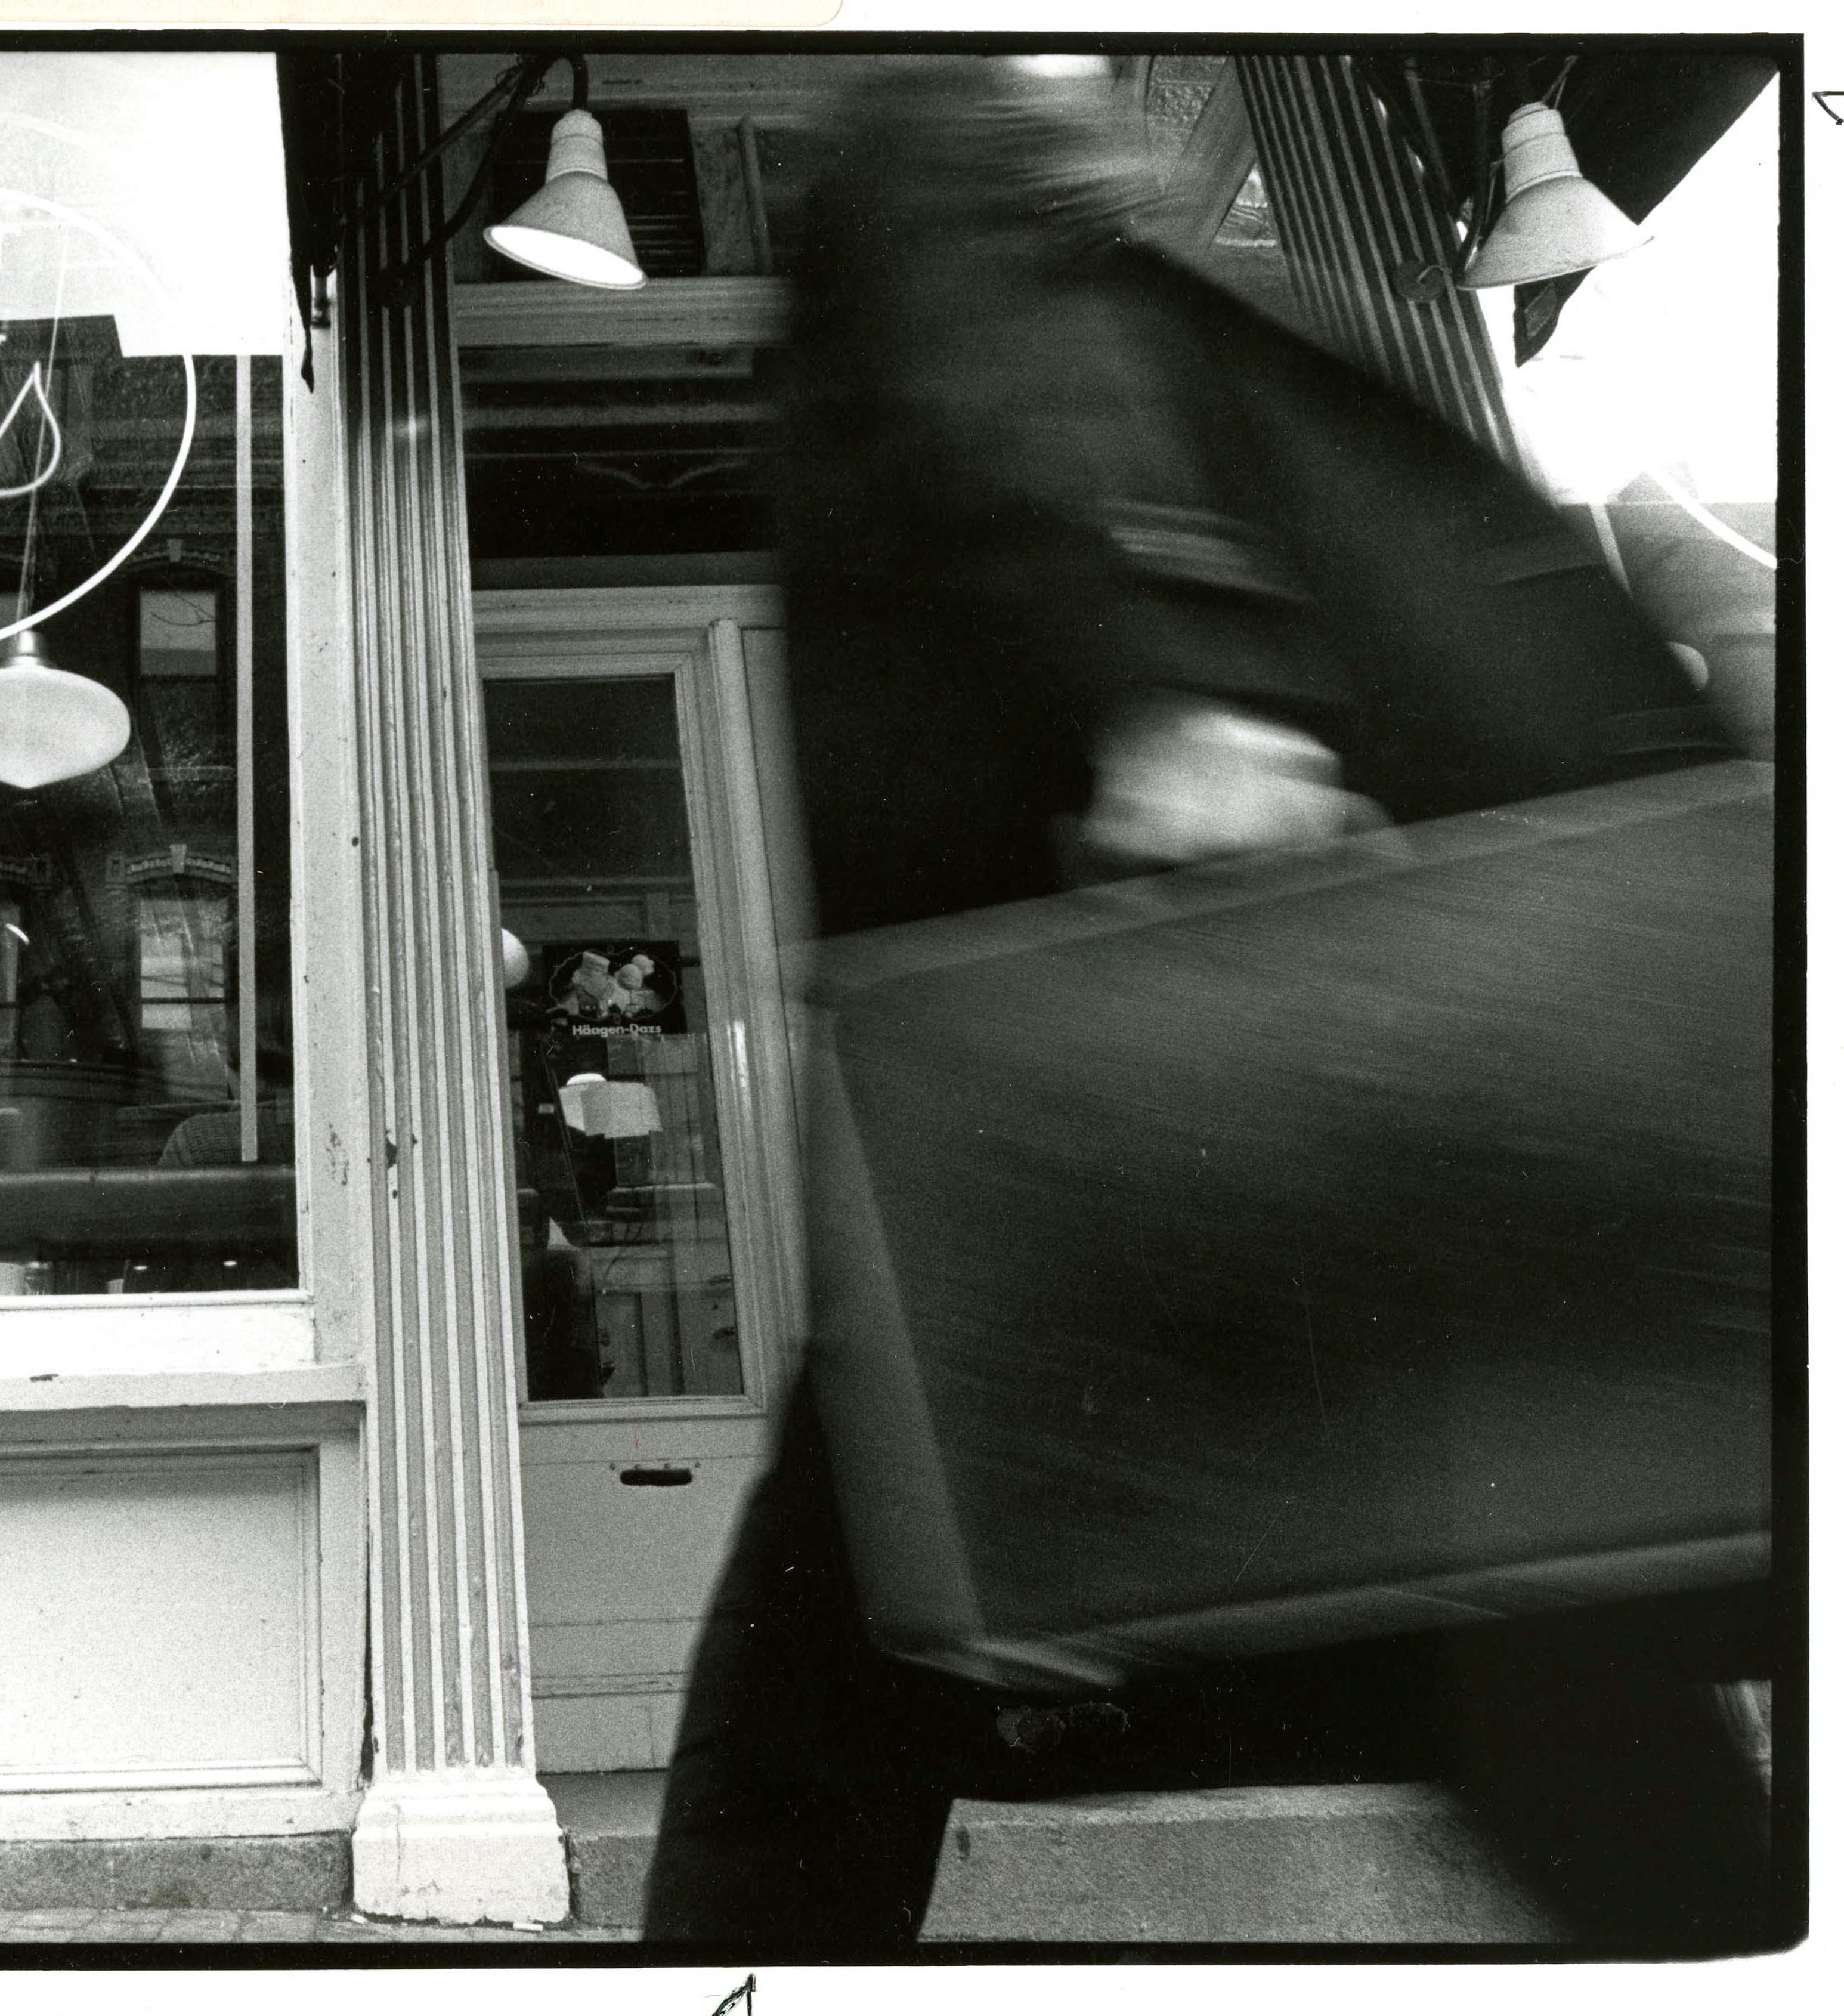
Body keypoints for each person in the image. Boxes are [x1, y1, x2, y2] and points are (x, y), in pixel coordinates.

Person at [645, 55, 1766, 1952]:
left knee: (831, 1678)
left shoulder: (1038, 188)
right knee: (1538, 1656)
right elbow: (1000, 369)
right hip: (1211, 1029)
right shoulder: (949, 134)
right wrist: (1177, 686)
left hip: (1177, 1090)